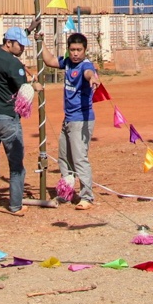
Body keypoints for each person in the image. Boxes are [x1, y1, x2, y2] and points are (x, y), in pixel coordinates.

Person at [0, 24, 53, 214]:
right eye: (21, 45)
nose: (23, 48)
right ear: (9, 43)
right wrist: (35, 86)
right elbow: (23, 89)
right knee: (16, 165)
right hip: (7, 119)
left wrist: (27, 30)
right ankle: (16, 206)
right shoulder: (14, 64)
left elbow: (9, 43)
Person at [57, 32, 99, 210]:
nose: (75, 53)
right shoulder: (67, 63)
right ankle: (67, 192)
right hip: (68, 119)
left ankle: (86, 197)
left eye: (79, 50)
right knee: (64, 157)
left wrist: (93, 78)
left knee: (80, 159)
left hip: (81, 120)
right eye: (72, 50)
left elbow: (89, 73)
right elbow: (50, 61)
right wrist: (39, 40)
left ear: (85, 50)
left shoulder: (85, 66)